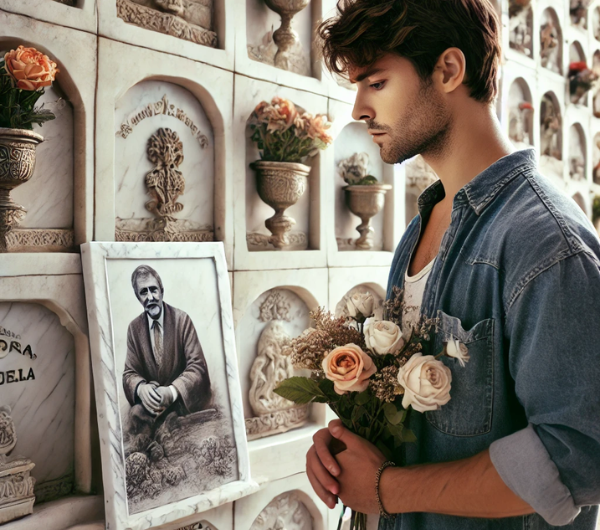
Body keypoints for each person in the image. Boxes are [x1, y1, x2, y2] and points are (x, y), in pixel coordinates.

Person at [306, 1, 600, 529]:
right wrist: (349, 446)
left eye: (375, 82)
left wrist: (385, 488)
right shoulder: (422, 227)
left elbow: (576, 456)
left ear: (447, 70)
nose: (357, 109)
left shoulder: (548, 245)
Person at [123, 265, 212, 456]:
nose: (150, 297)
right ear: (138, 297)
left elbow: (197, 367)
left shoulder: (182, 320)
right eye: (143, 292)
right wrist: (141, 388)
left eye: (153, 289)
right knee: (135, 415)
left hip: (180, 401)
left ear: (161, 290)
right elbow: (130, 373)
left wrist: (171, 392)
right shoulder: (134, 328)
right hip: (152, 405)